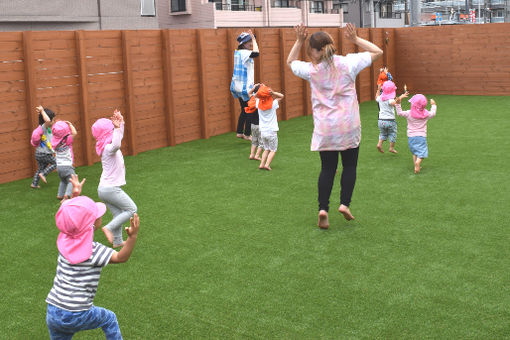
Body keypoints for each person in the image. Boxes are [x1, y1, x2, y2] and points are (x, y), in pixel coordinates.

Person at [287, 23, 383, 229]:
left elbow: (290, 61)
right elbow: (378, 51)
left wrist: (298, 40)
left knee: (328, 169)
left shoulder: (311, 70)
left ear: (313, 51)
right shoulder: (349, 63)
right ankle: (345, 204)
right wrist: (355, 39)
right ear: (331, 45)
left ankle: (323, 210)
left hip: (326, 129)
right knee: (349, 166)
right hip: (349, 126)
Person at [45, 174, 139, 339]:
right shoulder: (94, 251)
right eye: (96, 214)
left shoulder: (64, 240)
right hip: (78, 313)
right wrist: (132, 238)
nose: (99, 215)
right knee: (109, 319)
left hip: (53, 311)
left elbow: (71, 219)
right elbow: (121, 257)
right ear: (92, 223)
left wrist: (75, 195)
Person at [92, 110, 137, 248]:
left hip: (104, 189)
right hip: (110, 189)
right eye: (113, 129)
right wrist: (117, 128)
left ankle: (117, 242)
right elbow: (117, 143)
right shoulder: (109, 149)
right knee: (132, 209)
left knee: (118, 214)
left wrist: (121, 122)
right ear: (108, 133)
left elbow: (118, 138)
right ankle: (109, 228)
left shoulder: (107, 147)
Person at [395, 93, 437, 174]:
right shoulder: (426, 114)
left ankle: (415, 165)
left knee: (414, 152)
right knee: (422, 153)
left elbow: (399, 113)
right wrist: (433, 105)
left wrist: (398, 104)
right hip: (421, 137)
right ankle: (418, 163)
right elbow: (433, 113)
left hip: (411, 137)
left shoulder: (409, 113)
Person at [230, 30, 259, 141]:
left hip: (236, 86)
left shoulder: (237, 52)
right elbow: (256, 53)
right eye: (248, 41)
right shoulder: (245, 53)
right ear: (243, 43)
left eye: (250, 41)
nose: (250, 43)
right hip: (244, 88)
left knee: (244, 109)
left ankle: (239, 132)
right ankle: (247, 134)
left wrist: (252, 39)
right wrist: (255, 39)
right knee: (251, 110)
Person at [253, 84, 284, 171]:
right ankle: (267, 165)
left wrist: (257, 93)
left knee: (266, 149)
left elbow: (253, 97)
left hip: (263, 131)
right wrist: (273, 92)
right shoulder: (273, 104)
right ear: (269, 96)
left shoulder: (258, 103)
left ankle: (262, 164)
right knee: (273, 150)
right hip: (271, 131)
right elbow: (282, 96)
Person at [375, 80, 406, 154]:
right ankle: (391, 148)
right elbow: (394, 103)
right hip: (390, 121)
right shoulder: (390, 100)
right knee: (392, 133)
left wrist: (378, 89)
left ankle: (379, 144)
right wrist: (400, 97)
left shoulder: (380, 98)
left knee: (382, 133)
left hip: (381, 120)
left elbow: (376, 97)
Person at [30, 106, 56, 188]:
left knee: (41, 168)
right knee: (57, 162)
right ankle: (43, 174)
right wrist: (42, 111)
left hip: (39, 153)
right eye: (53, 119)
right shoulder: (43, 128)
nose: (54, 121)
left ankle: (34, 184)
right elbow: (47, 120)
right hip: (44, 153)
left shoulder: (47, 129)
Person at [51, 120, 78, 201]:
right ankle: (67, 195)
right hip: (67, 165)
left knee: (63, 180)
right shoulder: (67, 140)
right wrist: (70, 124)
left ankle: (60, 194)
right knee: (72, 180)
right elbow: (75, 133)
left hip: (59, 167)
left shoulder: (54, 143)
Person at [245, 84, 263, 161]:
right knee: (262, 142)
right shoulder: (261, 101)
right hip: (260, 125)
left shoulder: (252, 99)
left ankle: (251, 154)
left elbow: (249, 93)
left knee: (254, 140)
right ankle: (257, 155)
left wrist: (253, 88)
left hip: (253, 125)